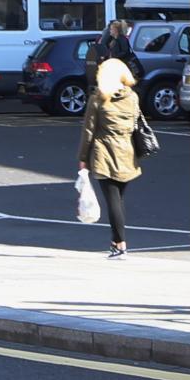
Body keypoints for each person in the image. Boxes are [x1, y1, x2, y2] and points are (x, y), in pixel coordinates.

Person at [77, 53, 143, 258]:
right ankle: (117, 241)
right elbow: (135, 124)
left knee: (113, 200)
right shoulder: (132, 97)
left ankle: (119, 243)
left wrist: (83, 158)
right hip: (127, 150)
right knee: (118, 198)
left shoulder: (98, 99)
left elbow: (88, 131)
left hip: (104, 152)